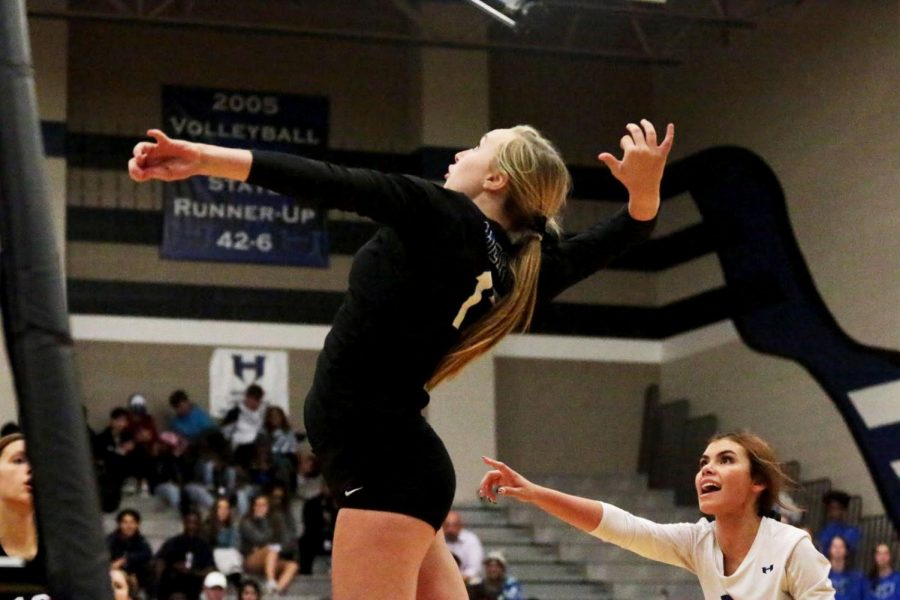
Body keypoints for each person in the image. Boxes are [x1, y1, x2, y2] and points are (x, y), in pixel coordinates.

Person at [129, 118, 673, 599]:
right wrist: (644, 197)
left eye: (481, 145)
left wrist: (205, 159)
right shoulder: (515, 266)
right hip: (400, 463)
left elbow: (332, 181)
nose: (460, 153)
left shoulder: (447, 215)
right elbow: (621, 234)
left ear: (496, 179)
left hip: (384, 464)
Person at [480, 431, 835, 598]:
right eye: (704, 463)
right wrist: (537, 494)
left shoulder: (791, 548)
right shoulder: (698, 542)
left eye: (725, 460)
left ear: (757, 481)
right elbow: (622, 527)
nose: (707, 470)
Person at [239, 493, 298, 594]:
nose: (260, 508)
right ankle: (271, 581)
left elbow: (289, 543)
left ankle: (276, 590)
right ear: (253, 506)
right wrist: (263, 521)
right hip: (251, 560)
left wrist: (279, 547)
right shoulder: (246, 522)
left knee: (292, 565)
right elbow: (260, 539)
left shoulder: (276, 520)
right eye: (257, 505)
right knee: (271, 550)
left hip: (272, 559)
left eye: (263, 505)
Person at [154, 511, 215, 600]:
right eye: (189, 522)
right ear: (184, 523)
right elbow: (160, 559)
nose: (192, 526)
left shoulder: (204, 545)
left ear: (199, 525)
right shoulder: (173, 542)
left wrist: (192, 571)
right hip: (173, 581)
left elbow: (211, 569)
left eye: (195, 523)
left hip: (194, 582)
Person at [108, 508, 154, 594]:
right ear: (119, 524)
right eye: (125, 522)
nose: (129, 526)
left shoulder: (140, 540)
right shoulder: (111, 540)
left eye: (132, 522)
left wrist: (125, 559)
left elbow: (146, 554)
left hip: (135, 575)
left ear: (137, 525)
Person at [221, 384, 267, 470]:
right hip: (239, 443)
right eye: (253, 399)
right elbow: (226, 432)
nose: (256, 403)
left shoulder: (261, 413)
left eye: (258, 400)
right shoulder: (235, 413)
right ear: (247, 397)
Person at [298, 483, 338, 575]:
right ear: (322, 487)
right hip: (316, 535)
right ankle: (305, 572)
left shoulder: (338, 503)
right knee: (305, 542)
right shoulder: (312, 503)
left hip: (334, 534)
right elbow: (308, 523)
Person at [203, 497, 243, 580]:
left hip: (232, 556)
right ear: (215, 510)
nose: (223, 511)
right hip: (215, 557)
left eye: (226, 508)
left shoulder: (232, 528)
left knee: (234, 553)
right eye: (220, 508)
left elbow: (236, 545)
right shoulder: (207, 527)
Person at [443, 511, 484, 583]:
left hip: (465, 580)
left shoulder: (471, 540)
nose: (450, 530)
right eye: (447, 526)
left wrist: (458, 580)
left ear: (461, 526)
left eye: (454, 525)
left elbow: (474, 568)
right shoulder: (436, 540)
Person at [818, 491, 862, 555]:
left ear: (844, 511)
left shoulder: (852, 532)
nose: (832, 512)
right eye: (830, 509)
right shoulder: (823, 532)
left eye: (835, 508)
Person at [827, 535, 866, 600]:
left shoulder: (857, 578)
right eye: (834, 546)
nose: (837, 549)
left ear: (846, 550)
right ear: (829, 549)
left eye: (841, 546)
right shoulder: (822, 576)